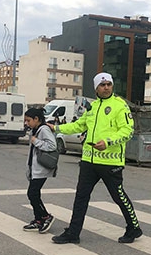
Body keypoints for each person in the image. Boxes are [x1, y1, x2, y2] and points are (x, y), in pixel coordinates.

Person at [48, 72, 142, 244]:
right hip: (89, 161)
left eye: (109, 84)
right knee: (81, 197)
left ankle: (134, 227)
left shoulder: (120, 106)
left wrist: (108, 142)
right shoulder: (92, 107)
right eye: (102, 85)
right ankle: (73, 233)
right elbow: (79, 125)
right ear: (96, 88)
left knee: (118, 196)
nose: (106, 87)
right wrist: (56, 128)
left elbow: (127, 131)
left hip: (110, 161)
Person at [22, 108, 57, 234]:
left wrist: (36, 141)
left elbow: (52, 145)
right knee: (33, 194)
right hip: (34, 169)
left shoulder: (44, 129)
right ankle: (38, 220)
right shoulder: (35, 130)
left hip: (41, 169)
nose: (26, 123)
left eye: (28, 120)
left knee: (32, 193)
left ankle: (46, 216)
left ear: (36, 119)